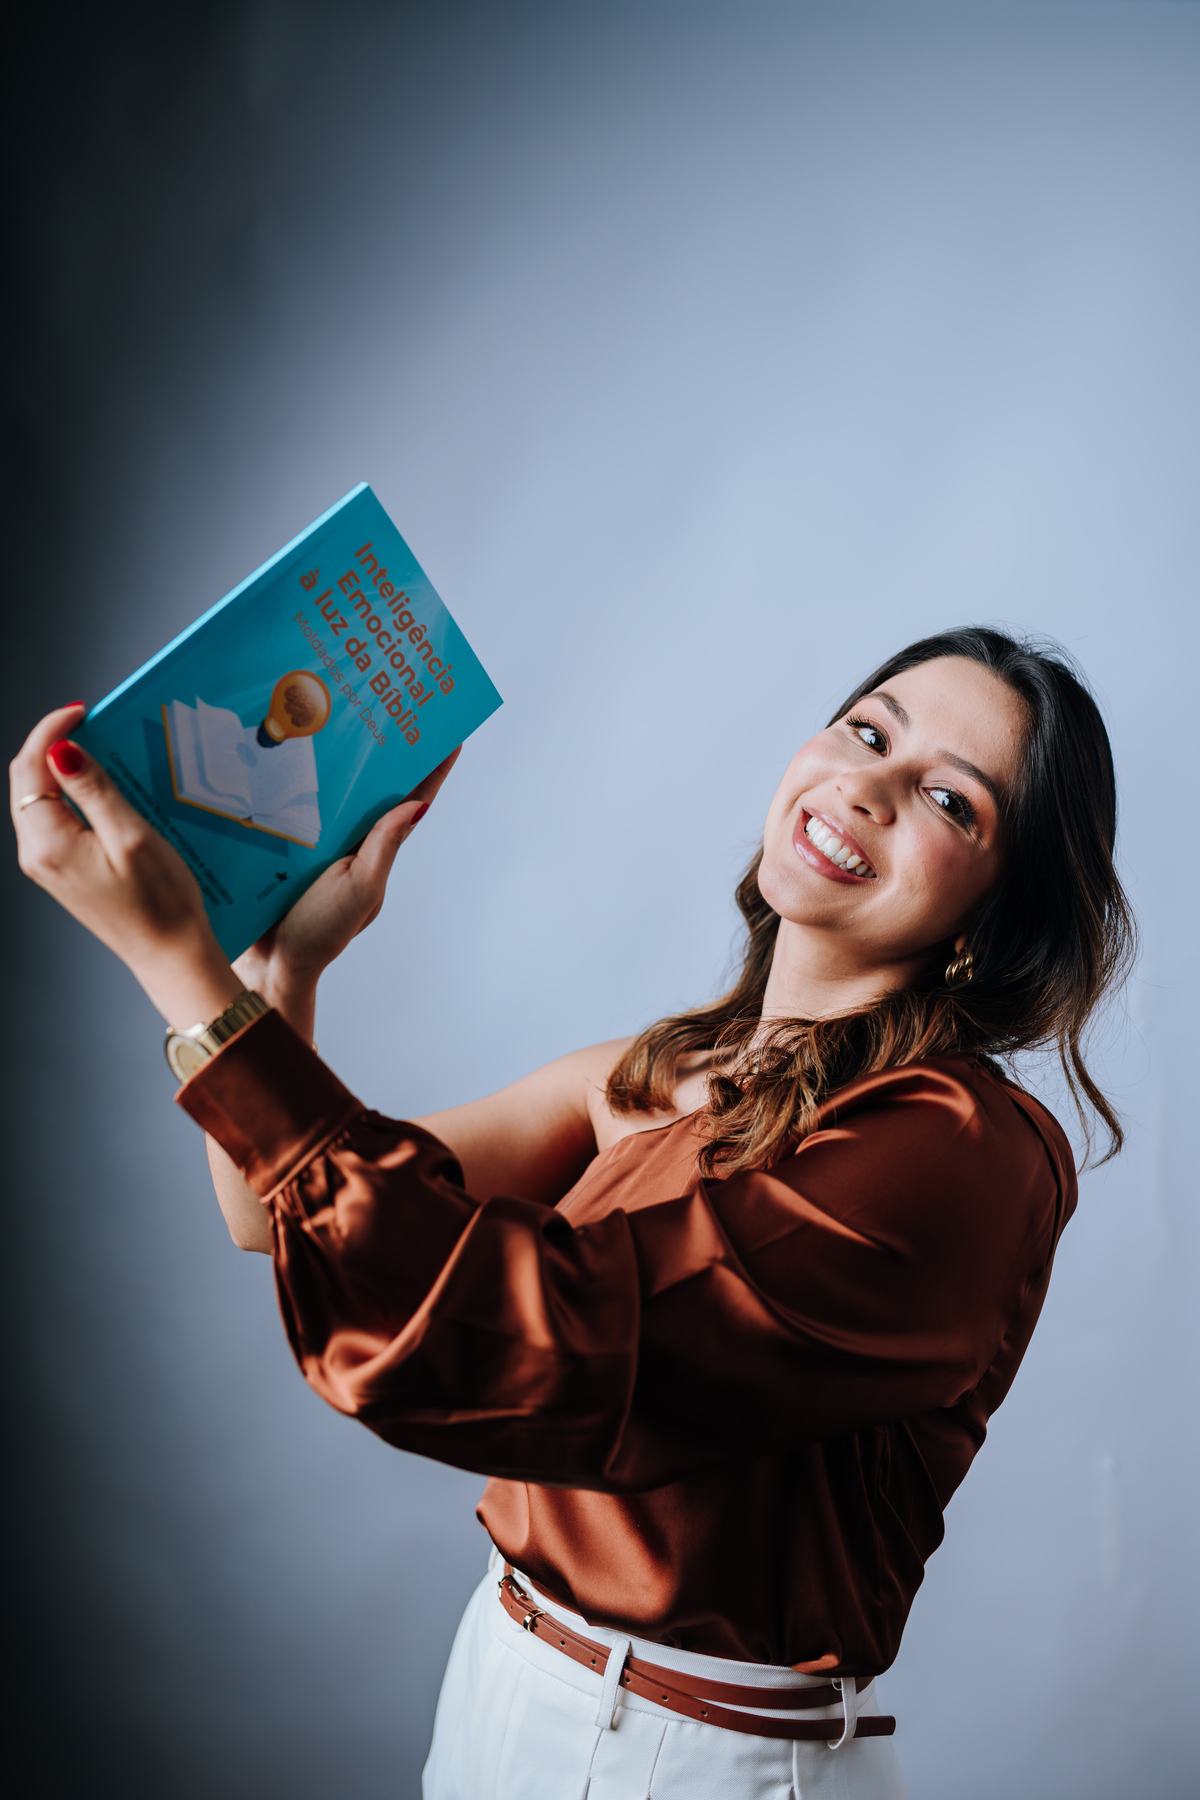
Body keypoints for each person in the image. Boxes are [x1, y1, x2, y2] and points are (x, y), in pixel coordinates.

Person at [12, 627, 1133, 1800]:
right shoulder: (655, 1072)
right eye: (867, 730)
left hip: (701, 1755)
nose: (869, 785)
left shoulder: (962, 1148)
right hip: (504, 1670)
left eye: (951, 801)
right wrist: (278, 975)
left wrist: (176, 964)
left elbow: (546, 1343)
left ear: (995, 921)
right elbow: (276, 1211)